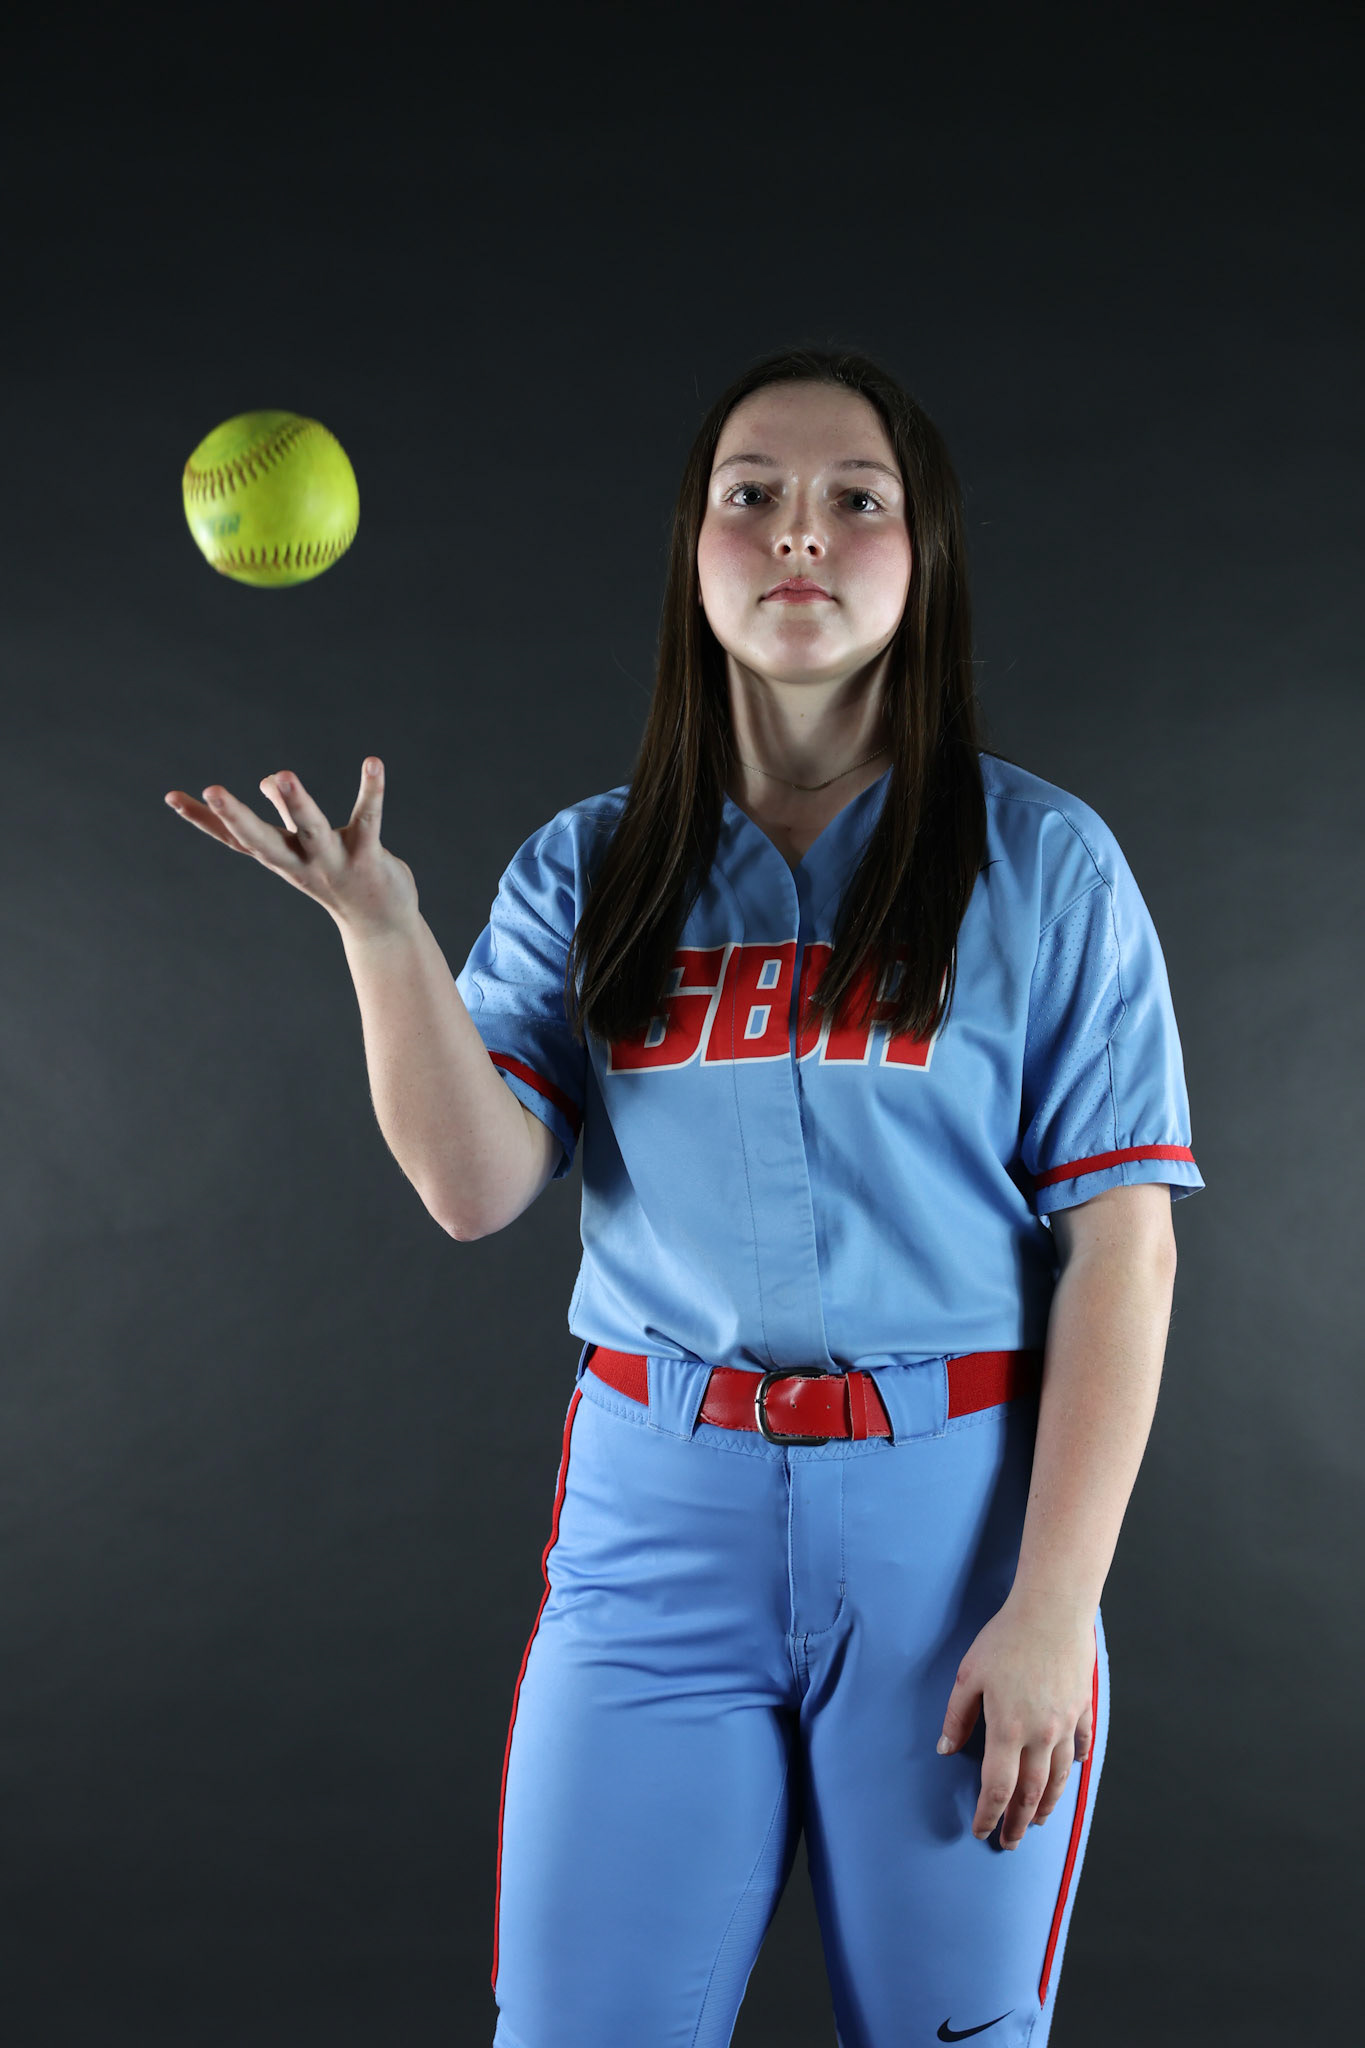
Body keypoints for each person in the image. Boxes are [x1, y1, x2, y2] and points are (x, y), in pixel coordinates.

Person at [164, 344, 1204, 2048]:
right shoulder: (593, 861)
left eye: (852, 501)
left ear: (921, 554)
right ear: (693, 551)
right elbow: (473, 1186)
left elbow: (1122, 1254)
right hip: (661, 1526)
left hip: (952, 1533)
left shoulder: (1043, 862)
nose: (799, 534)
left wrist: (1052, 1605)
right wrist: (381, 938)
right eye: (751, 498)